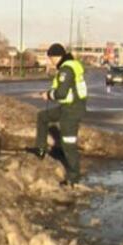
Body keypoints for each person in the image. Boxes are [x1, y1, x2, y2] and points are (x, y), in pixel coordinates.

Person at [32, 43, 88, 185]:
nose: (50, 61)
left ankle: (73, 178)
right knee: (43, 116)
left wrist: (49, 95)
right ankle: (40, 149)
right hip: (68, 107)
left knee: (68, 143)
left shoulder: (66, 70)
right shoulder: (69, 66)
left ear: (56, 57)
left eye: (50, 58)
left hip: (72, 110)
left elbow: (61, 93)